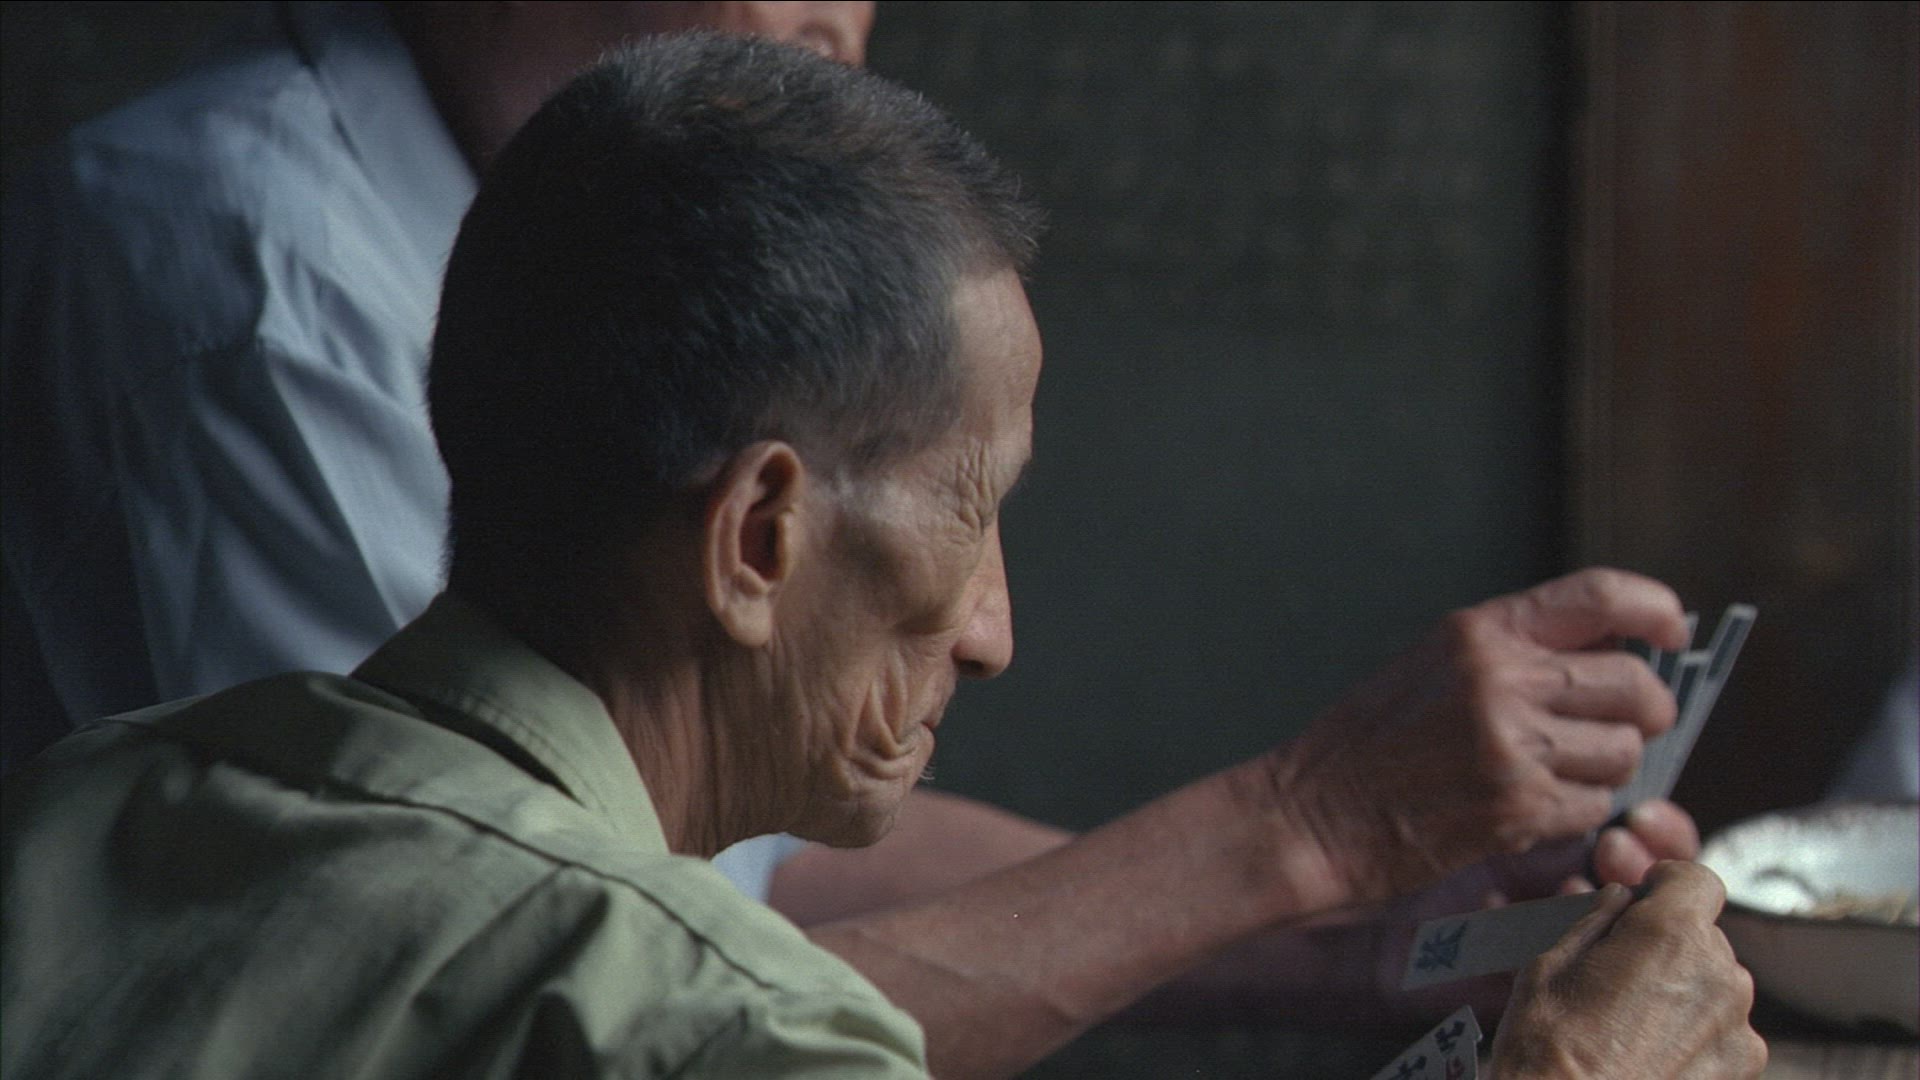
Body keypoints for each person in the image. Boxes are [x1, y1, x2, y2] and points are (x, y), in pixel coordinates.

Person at [1, 33, 1766, 1079]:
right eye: (974, 510)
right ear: (758, 536)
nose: (992, 631)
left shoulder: (86, 811)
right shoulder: (739, 1032)